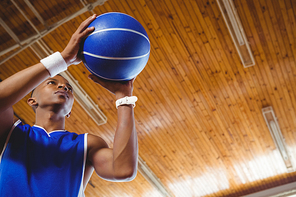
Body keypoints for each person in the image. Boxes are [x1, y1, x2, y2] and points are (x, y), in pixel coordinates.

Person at [0, 14, 138, 197]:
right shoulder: (10, 133)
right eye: (51, 83)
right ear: (32, 101)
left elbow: (123, 170)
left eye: (69, 88)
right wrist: (62, 60)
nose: (63, 86)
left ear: (70, 110)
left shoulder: (87, 144)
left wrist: (124, 98)